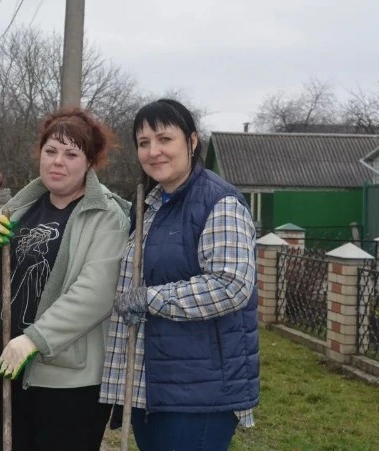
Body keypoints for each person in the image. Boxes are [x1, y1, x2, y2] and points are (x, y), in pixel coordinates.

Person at [0, 108, 130, 451]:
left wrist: (34, 339)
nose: (58, 162)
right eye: (51, 151)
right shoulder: (20, 209)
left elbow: (95, 292)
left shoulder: (106, 216)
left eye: (71, 154)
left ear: (90, 162)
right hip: (8, 370)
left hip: (67, 381)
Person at [99, 99, 260, 451]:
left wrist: (149, 298)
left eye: (164, 139)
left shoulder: (219, 202)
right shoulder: (153, 204)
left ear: (191, 141)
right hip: (154, 386)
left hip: (199, 394)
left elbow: (230, 285)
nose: (153, 151)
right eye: (144, 143)